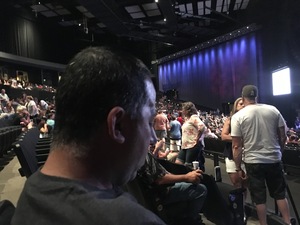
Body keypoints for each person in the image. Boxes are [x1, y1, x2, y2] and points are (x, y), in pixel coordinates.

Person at [11, 46, 165, 225]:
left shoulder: (32, 189)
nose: (153, 137)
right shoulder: (133, 220)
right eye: (149, 121)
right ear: (118, 125)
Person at [231, 85, 291, 225]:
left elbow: (236, 146)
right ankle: (287, 222)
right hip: (274, 158)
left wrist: (238, 167)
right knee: (280, 195)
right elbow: (283, 136)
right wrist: (279, 151)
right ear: (256, 96)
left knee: (259, 198)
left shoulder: (238, 116)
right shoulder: (273, 109)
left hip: (253, 161)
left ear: (243, 97)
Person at [138, 146, 207, 225]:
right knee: (201, 190)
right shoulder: (142, 152)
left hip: (152, 192)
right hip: (160, 193)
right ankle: (191, 220)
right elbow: (160, 179)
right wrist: (186, 177)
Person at [221, 97, 245, 188]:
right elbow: (224, 136)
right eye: (240, 104)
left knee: (246, 183)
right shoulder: (230, 120)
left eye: (244, 103)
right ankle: (240, 202)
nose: (243, 105)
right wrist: (240, 138)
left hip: (247, 154)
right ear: (235, 106)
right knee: (236, 182)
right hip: (232, 154)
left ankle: (245, 202)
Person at [175, 102, 206, 171]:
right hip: (185, 145)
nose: (182, 111)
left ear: (188, 110)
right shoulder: (188, 119)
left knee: (188, 166)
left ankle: (192, 180)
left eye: (183, 109)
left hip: (192, 145)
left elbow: (202, 127)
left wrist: (197, 138)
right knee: (178, 163)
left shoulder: (193, 117)